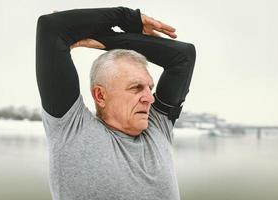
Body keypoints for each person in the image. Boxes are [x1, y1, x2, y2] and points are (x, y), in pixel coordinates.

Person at [36, 7, 196, 200]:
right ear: (100, 96)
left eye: (149, 88)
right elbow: (52, 28)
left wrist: (106, 40)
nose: (150, 98)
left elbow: (184, 57)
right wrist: (127, 18)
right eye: (136, 88)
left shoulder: (158, 127)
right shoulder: (71, 128)